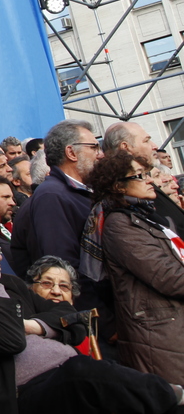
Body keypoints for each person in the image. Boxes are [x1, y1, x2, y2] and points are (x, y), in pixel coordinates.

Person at [0, 224, 178, 414]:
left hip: (65, 372)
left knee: (100, 379)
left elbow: (72, 316)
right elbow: (10, 339)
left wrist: (34, 326)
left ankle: (171, 399)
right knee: (82, 374)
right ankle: (172, 395)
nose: (0, 256)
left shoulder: (9, 283)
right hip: (22, 393)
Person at [82, 149, 184, 383]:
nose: (149, 181)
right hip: (159, 335)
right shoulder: (120, 224)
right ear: (118, 186)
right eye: (139, 176)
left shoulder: (145, 216)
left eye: (147, 174)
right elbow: (168, 277)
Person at [10, 120, 101, 306]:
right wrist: (101, 316)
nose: (99, 154)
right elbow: (63, 267)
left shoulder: (72, 192)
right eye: (93, 147)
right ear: (71, 152)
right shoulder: (52, 197)